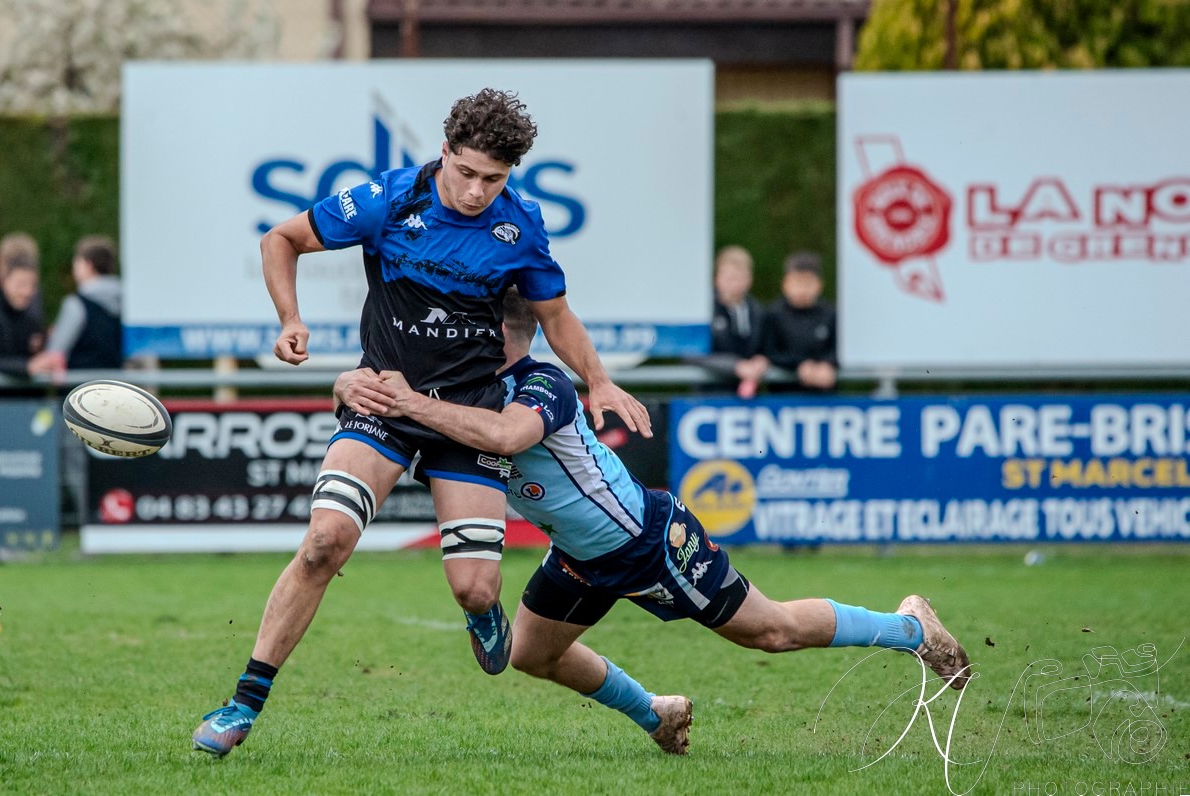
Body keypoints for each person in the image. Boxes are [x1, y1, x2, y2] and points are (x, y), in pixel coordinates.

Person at [192, 89, 651, 758]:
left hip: (465, 415)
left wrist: (600, 379)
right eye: (466, 172)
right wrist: (291, 320)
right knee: (325, 541)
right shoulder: (389, 199)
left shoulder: (519, 226)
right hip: (382, 402)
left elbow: (556, 318)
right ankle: (243, 703)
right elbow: (281, 239)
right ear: (444, 153)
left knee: (473, 588)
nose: (475, 190)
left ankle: (482, 613)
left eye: (493, 179)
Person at [334, 287, 971, 756]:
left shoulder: (542, 384)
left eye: (468, 332)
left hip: (646, 541)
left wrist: (412, 400)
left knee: (769, 632)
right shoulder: (467, 388)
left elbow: (504, 439)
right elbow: (388, 404)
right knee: (529, 653)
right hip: (581, 556)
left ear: (503, 335)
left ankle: (910, 627)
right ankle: (659, 713)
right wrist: (350, 384)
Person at [27, 235, 123, 376]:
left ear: (88, 265)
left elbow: (55, 352)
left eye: (77, 261)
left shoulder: (76, 304)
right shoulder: (126, 303)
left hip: (80, 388)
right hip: (116, 387)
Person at [760, 251, 837, 392]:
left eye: (808, 283)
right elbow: (769, 353)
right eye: (797, 282)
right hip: (783, 400)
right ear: (785, 284)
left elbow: (839, 349)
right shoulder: (773, 315)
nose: (802, 289)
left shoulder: (831, 315)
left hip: (825, 401)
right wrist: (799, 366)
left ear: (819, 284)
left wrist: (827, 364)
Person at [705, 245, 768, 398]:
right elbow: (691, 354)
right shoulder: (704, 310)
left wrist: (763, 360)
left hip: (750, 398)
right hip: (710, 395)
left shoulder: (758, 311)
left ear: (749, 279)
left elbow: (768, 346)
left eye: (740, 277)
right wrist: (735, 366)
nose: (735, 284)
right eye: (730, 277)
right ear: (717, 278)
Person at [0, 234, 46, 376]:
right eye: (21, 284)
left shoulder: (30, 305)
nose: (27, 292)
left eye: (31, 284)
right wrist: (27, 366)